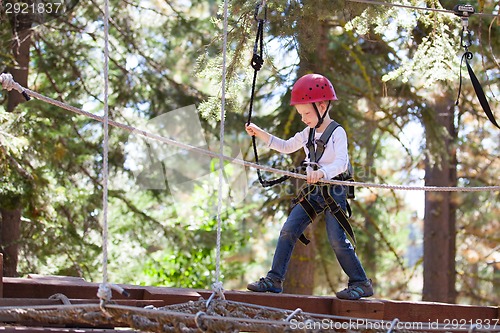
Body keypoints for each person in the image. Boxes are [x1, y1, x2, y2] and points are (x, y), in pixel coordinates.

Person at [244, 73, 373, 300]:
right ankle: (275, 279)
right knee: (288, 230)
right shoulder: (307, 133)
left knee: (336, 239)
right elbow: (285, 146)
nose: (303, 119)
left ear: (322, 106)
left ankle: (361, 282)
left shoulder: (337, 133)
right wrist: (259, 133)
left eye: (306, 113)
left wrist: (321, 173)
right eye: (301, 114)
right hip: (314, 191)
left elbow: (341, 162)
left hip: (335, 190)